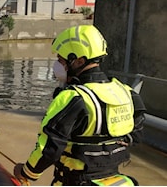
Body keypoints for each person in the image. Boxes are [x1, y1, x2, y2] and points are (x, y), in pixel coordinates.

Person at [13, 25, 146, 186]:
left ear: (78, 61)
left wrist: (27, 172)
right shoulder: (127, 93)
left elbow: (49, 148)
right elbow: (136, 134)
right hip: (115, 179)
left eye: (61, 60)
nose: (57, 65)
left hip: (75, 181)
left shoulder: (73, 98)